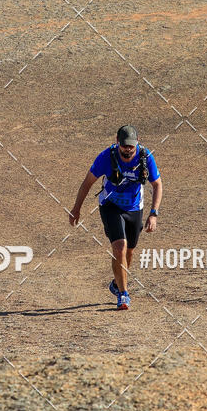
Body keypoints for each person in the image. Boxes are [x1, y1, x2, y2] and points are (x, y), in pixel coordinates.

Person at [69, 125, 162, 310]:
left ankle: (116, 283)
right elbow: (87, 183)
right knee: (120, 247)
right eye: (124, 145)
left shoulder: (145, 157)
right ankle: (123, 294)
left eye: (131, 146)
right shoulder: (106, 157)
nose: (128, 149)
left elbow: (157, 184)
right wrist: (76, 208)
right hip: (110, 205)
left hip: (135, 207)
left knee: (129, 252)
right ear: (117, 142)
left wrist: (153, 213)